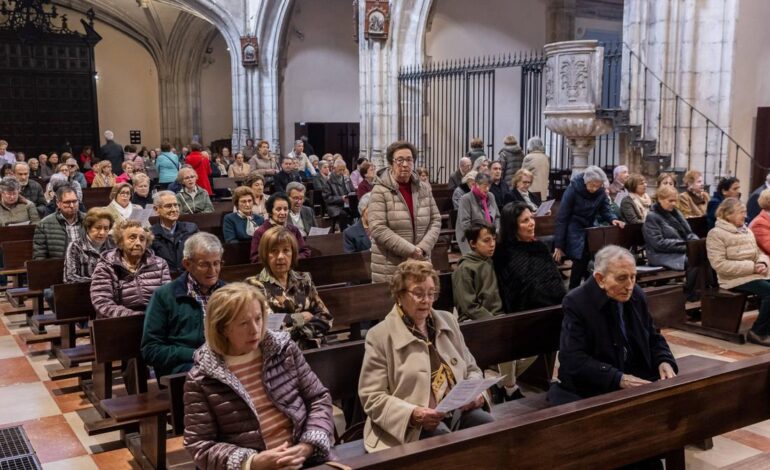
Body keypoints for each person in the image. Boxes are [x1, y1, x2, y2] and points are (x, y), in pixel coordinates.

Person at [182, 282, 334, 469]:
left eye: (258, 318)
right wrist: (251, 462)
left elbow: (318, 398)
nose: (255, 329)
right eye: (244, 323)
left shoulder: (283, 350)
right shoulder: (203, 377)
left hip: (305, 459)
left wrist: (308, 445)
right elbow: (200, 445)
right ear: (221, 328)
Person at [358, 259, 494, 452]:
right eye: (418, 294)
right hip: (410, 426)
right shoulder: (380, 335)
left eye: (431, 293)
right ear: (399, 295)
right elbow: (372, 396)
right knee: (442, 442)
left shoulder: (447, 321)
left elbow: (471, 368)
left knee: (489, 427)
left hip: (456, 410)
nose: (427, 300)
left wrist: (477, 394)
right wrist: (413, 414)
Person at [547, 245, 678, 406]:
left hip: (633, 373)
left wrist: (663, 360)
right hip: (594, 384)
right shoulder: (577, 302)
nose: (629, 285)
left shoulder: (636, 295)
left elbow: (652, 337)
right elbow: (572, 358)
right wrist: (617, 378)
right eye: (621, 278)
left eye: (633, 277)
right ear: (600, 279)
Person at [142, 233, 226, 378]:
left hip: (224, 361)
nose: (212, 271)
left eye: (216, 263)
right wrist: (194, 354)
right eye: (204, 264)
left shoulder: (228, 293)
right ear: (187, 264)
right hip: (184, 366)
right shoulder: (165, 296)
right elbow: (151, 349)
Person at [246, 226, 333, 349]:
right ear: (265, 255)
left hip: (313, 348)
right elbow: (268, 330)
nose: (280, 256)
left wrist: (292, 326)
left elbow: (326, 318)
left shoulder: (304, 279)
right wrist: (302, 318)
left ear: (293, 254)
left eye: (286, 250)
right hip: (277, 354)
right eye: (274, 251)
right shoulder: (254, 285)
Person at [369, 141, 442, 283]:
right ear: (391, 163)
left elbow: (436, 220)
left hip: (421, 262)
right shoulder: (379, 190)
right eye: (400, 160)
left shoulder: (423, 188)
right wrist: (410, 250)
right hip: (390, 267)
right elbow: (378, 228)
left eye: (409, 159)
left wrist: (422, 248)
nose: (405, 164)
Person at [707, 198, 770, 346]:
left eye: (745, 212)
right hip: (732, 278)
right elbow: (720, 265)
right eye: (741, 212)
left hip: (753, 274)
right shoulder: (716, 234)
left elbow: (759, 253)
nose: (745, 216)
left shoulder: (746, 230)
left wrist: (762, 263)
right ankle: (758, 332)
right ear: (727, 214)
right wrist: (751, 267)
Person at [554, 166, 625, 289]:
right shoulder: (573, 190)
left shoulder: (600, 191)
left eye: (598, 186)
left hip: (591, 226)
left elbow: (605, 209)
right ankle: (573, 289)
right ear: (586, 181)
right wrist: (558, 245)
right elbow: (562, 218)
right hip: (573, 227)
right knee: (580, 257)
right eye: (592, 185)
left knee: (595, 256)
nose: (594, 189)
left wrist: (613, 219)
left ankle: (590, 287)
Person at [494, 202, 567, 313]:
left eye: (531, 218)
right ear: (512, 226)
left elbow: (555, 280)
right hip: (525, 314)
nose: (532, 223)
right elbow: (511, 292)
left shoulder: (540, 247)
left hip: (554, 307)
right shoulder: (503, 253)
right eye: (525, 221)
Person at [90, 220, 171, 318]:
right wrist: (133, 316)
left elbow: (168, 298)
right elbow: (102, 302)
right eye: (132, 238)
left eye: (142, 239)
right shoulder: (106, 265)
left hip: (154, 320)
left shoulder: (160, 264)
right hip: (119, 322)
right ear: (121, 241)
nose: (138, 243)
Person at [642, 184, 698, 271]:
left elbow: (689, 233)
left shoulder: (676, 213)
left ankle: (704, 284)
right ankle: (695, 285)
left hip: (681, 251)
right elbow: (658, 243)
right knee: (695, 261)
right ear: (660, 199)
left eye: (675, 201)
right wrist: (685, 246)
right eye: (670, 201)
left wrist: (695, 243)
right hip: (661, 255)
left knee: (705, 257)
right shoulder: (652, 217)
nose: (673, 204)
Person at [453, 223, 502, 321]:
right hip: (476, 320)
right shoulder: (465, 268)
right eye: (486, 240)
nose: (492, 244)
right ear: (473, 244)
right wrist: (494, 321)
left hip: (499, 316)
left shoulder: (493, 261)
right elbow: (469, 307)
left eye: (494, 239)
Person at [250, 193, 311, 263]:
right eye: (278, 209)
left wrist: (291, 260)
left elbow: (305, 251)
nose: (283, 212)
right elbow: (255, 258)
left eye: (285, 209)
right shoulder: (260, 232)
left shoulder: (294, 229)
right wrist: (277, 261)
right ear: (270, 211)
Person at [150, 191, 199, 275]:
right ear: (156, 209)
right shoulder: (150, 234)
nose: (174, 209)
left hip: (189, 276)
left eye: (176, 205)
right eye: (168, 206)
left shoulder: (191, 229)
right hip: (164, 279)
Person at [33, 184, 85, 259]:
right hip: (58, 268)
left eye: (74, 201)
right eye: (67, 202)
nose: (72, 206)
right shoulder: (44, 225)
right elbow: (39, 256)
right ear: (58, 203)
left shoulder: (89, 220)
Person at [63, 208, 114, 283]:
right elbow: (70, 278)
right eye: (98, 228)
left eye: (106, 228)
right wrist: (99, 282)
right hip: (83, 291)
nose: (102, 232)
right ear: (88, 228)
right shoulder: (76, 246)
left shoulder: (113, 245)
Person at [456, 172, 500, 255]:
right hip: (471, 238)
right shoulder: (466, 199)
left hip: (490, 236)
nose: (487, 189)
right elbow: (465, 224)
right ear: (476, 184)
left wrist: (496, 231)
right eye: (485, 186)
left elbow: (497, 216)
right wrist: (481, 236)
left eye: (489, 186)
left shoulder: (491, 196)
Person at [323, 159, 355, 230]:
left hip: (347, 204)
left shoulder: (347, 179)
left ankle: (354, 232)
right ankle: (343, 233)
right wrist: (341, 198)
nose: (342, 172)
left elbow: (353, 191)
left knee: (358, 210)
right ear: (334, 168)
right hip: (334, 207)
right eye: (340, 170)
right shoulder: (328, 181)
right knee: (343, 214)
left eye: (343, 170)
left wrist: (351, 196)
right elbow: (327, 198)